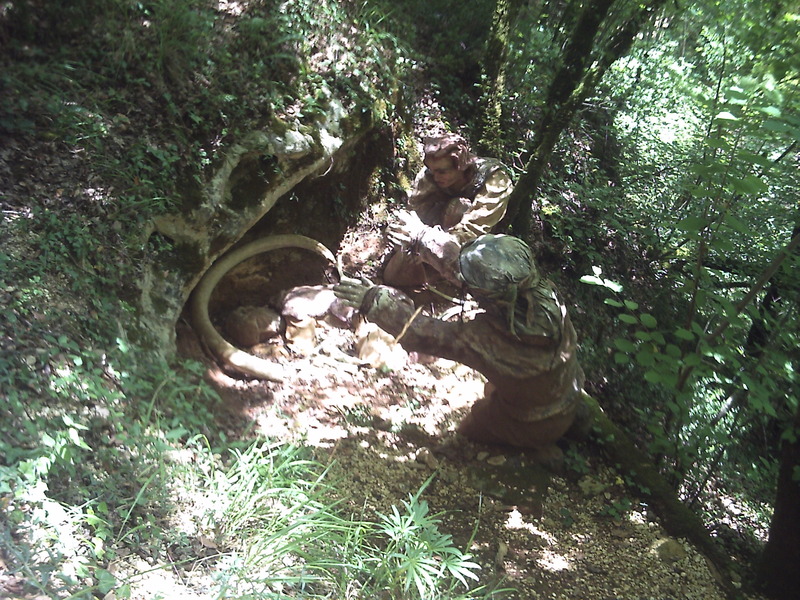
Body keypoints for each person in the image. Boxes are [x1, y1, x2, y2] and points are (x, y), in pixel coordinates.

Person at [334, 234, 585, 460]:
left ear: (490, 297)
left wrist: (374, 301)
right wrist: (422, 238)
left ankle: (461, 456)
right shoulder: (543, 294)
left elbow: (424, 334)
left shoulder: (486, 339)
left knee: (473, 424)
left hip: (531, 423)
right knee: (493, 389)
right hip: (566, 394)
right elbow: (477, 275)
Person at [382, 133, 514, 288]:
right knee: (393, 278)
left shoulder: (494, 180)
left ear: (461, 166)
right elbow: (414, 210)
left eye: (442, 172)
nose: (436, 177)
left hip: (474, 246)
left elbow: (474, 228)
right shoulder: (429, 176)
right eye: (432, 171)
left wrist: (431, 247)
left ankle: (451, 277)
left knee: (459, 207)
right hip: (432, 233)